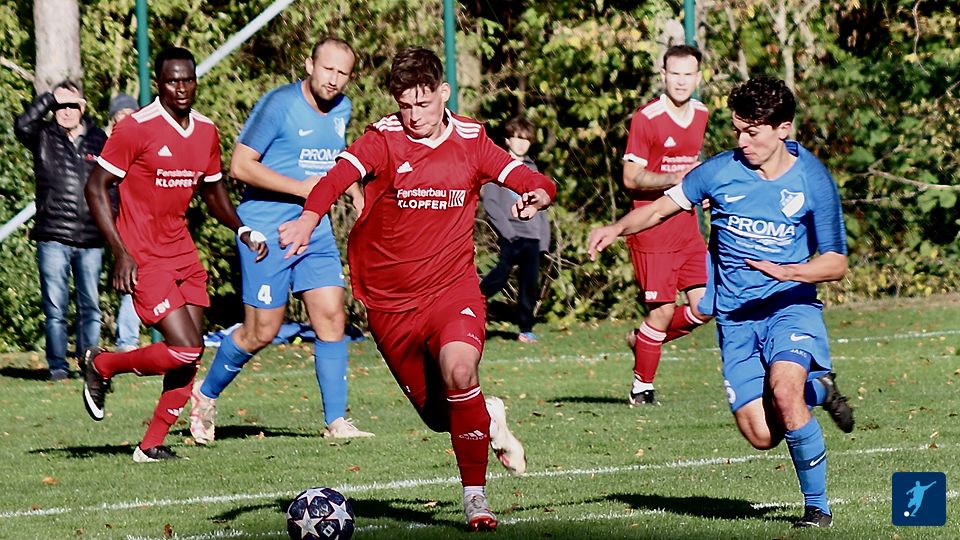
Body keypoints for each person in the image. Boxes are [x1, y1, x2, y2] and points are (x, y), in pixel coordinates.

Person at [278, 47, 554, 531]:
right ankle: (488, 416)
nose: (413, 116)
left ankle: (475, 498)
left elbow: (526, 176)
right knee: (440, 416)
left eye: (423, 104)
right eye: (404, 105)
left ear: (444, 93)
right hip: (390, 302)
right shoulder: (383, 139)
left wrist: (539, 193)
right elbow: (337, 176)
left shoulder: (471, 139)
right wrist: (307, 218)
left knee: (460, 370)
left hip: (452, 290)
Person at [588, 76, 855, 528]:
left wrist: (790, 272)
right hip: (736, 319)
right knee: (762, 434)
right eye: (737, 130)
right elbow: (660, 208)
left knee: (784, 390)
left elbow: (836, 262)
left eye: (752, 132)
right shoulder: (719, 172)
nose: (742, 141)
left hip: (790, 308)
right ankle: (820, 390)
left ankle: (817, 508)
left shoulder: (813, 180)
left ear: (783, 129)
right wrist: (616, 228)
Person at [83, 47, 267, 462]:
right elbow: (95, 187)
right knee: (184, 347)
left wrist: (242, 228)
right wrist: (120, 252)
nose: (181, 88)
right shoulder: (135, 128)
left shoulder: (206, 130)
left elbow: (213, 190)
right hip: (143, 254)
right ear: (158, 83)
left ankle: (150, 445)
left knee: (191, 354)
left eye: (188, 79)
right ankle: (103, 365)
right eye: (172, 81)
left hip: (182, 252)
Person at [187, 37, 371, 444]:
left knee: (331, 316)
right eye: (328, 69)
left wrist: (355, 191)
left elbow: (335, 156)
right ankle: (205, 393)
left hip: (314, 227)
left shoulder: (342, 108)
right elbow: (239, 166)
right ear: (309, 64)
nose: (334, 79)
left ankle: (336, 422)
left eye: (342, 73)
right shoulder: (279, 104)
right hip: (267, 231)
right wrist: (300, 189)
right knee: (262, 330)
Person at [620, 44, 712, 406]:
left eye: (688, 74)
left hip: (687, 229)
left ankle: (644, 339)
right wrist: (675, 179)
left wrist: (703, 190)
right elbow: (631, 177)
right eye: (675, 74)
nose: (681, 81)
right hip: (651, 232)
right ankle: (641, 389)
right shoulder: (647, 118)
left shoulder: (701, 113)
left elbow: (693, 173)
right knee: (660, 313)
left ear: (698, 77)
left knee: (707, 305)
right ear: (663, 75)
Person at [15, 80, 108, 381]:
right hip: (53, 235)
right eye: (60, 106)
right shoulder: (43, 135)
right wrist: (48, 98)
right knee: (56, 308)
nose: (66, 111)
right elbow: (22, 125)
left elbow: (112, 184)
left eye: (71, 105)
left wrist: (112, 221)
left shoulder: (99, 139)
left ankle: (89, 365)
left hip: (91, 237)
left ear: (83, 107)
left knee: (90, 308)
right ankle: (58, 367)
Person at [479, 115, 550, 343]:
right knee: (499, 277)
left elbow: (541, 207)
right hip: (511, 236)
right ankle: (472, 304)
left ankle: (525, 329)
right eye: (517, 138)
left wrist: (544, 239)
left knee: (529, 285)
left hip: (532, 238)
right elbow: (491, 203)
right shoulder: (497, 166)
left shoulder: (533, 168)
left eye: (526, 139)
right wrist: (507, 232)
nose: (521, 143)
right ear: (507, 140)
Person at [105, 93, 143, 352]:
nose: (127, 118)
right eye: (122, 114)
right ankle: (127, 341)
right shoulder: (104, 144)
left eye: (132, 113)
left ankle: (129, 339)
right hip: (114, 222)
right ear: (113, 118)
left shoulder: (143, 143)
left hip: (140, 220)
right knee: (131, 277)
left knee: (140, 277)